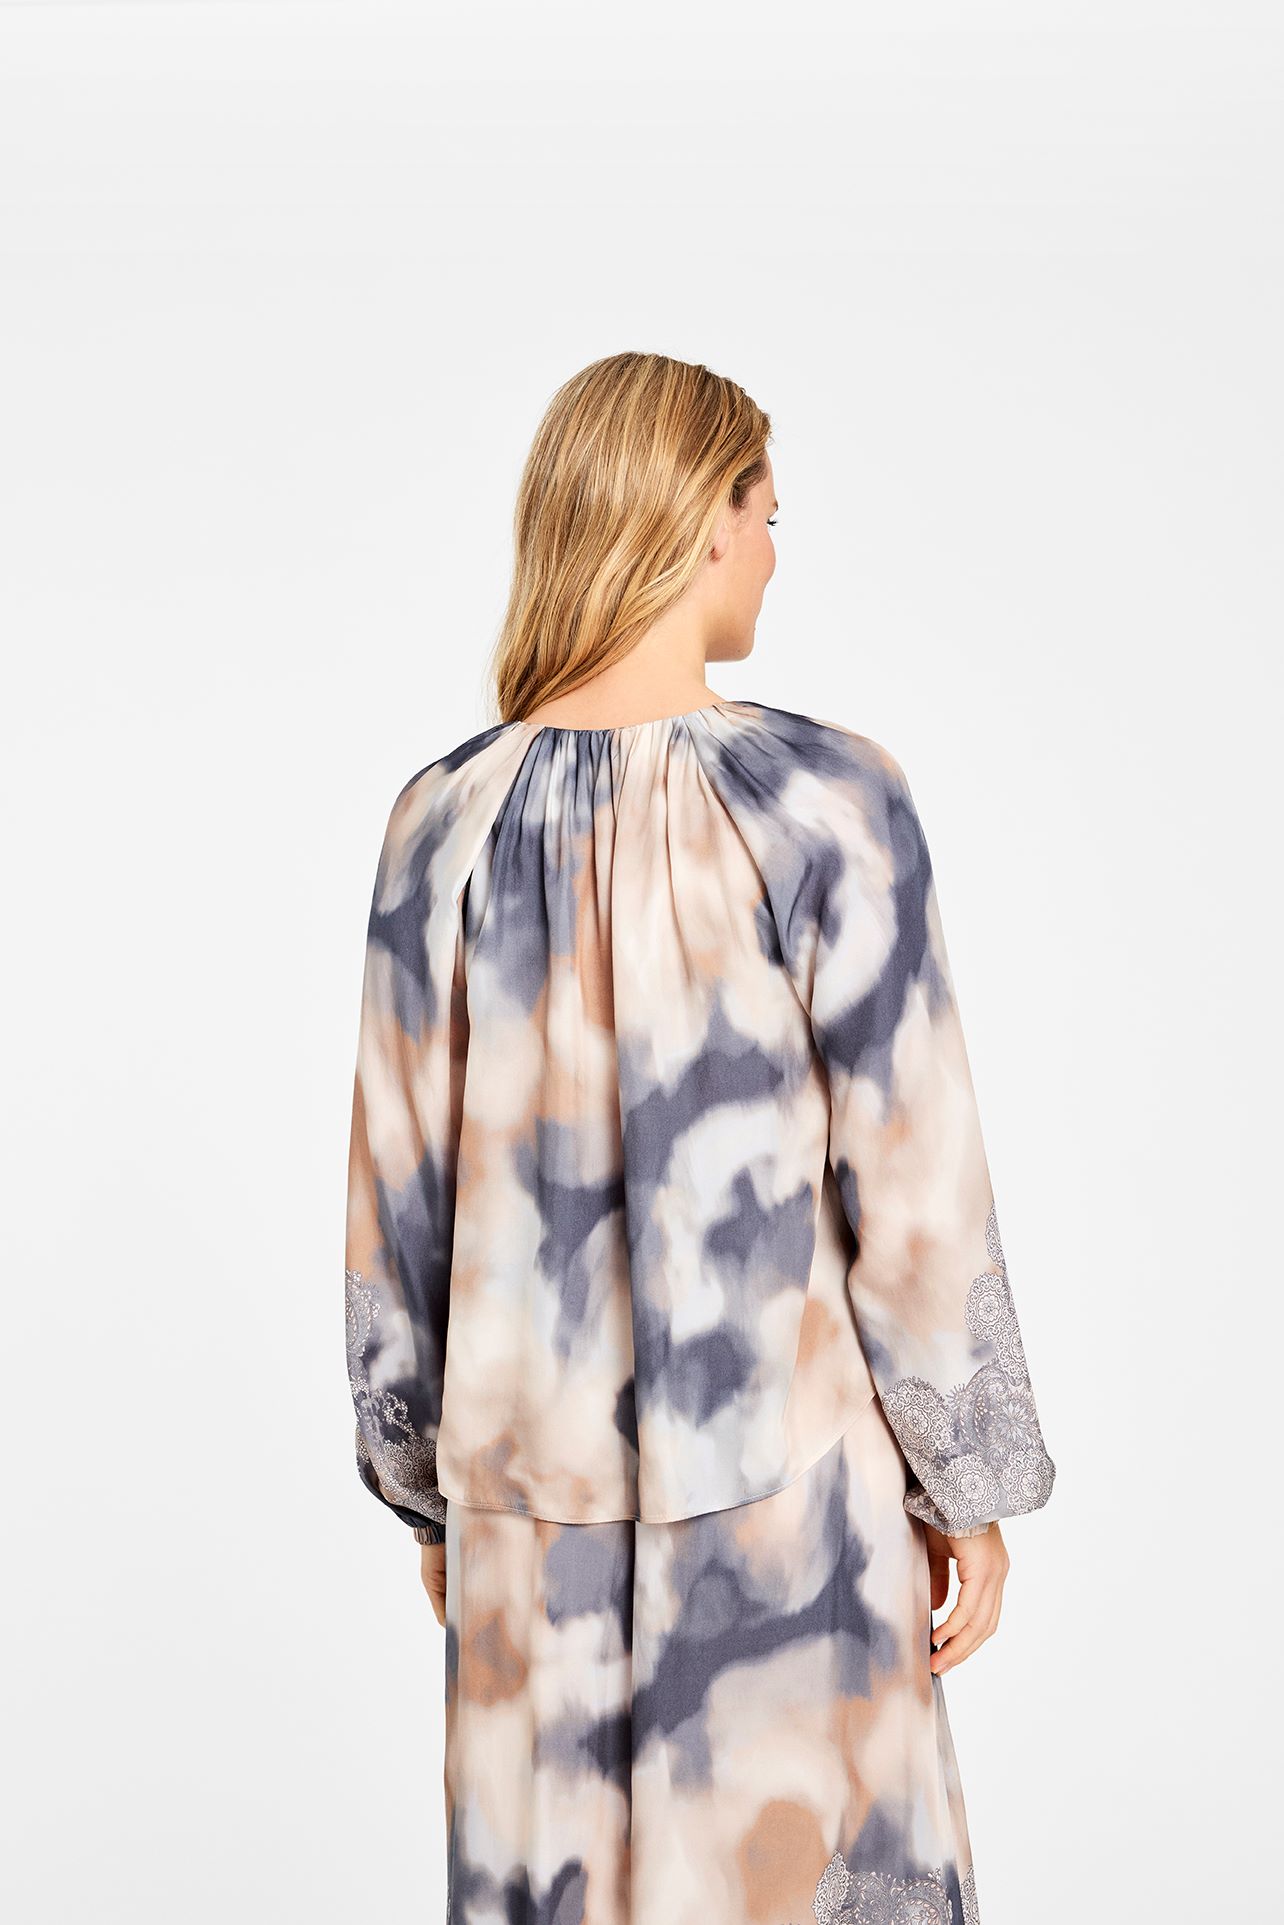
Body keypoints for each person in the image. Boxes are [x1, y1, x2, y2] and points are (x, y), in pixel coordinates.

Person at [343, 350, 1055, 1925]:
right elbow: (914, 1184)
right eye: (769, 514)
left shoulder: (438, 822)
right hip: (794, 1527)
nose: (775, 553)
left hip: (528, 1536)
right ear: (703, 522)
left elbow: (397, 1202)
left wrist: (429, 1492)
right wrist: (970, 1483)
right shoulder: (828, 802)